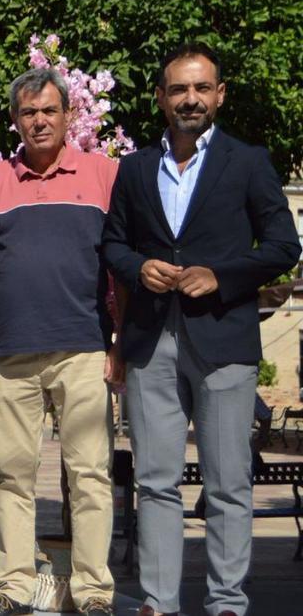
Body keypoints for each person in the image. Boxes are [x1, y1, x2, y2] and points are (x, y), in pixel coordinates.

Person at [102, 42, 301, 616]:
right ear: (162, 97)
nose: (190, 99)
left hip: (223, 341)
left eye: (201, 88)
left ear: (219, 94)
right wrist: (138, 266)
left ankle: (226, 603)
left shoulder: (248, 161)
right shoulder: (136, 167)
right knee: (157, 482)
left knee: (227, 484)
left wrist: (222, 275)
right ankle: (160, 602)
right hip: (150, 342)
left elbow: (284, 247)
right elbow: (112, 243)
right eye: (179, 89)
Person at [0, 68, 122, 616]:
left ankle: (93, 592)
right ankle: (14, 587)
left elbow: (119, 268)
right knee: (11, 476)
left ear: (69, 116)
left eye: (49, 111)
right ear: (15, 120)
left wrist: (119, 343)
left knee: (90, 474)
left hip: (83, 347)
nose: (39, 121)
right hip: (9, 352)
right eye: (28, 112)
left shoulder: (105, 175)